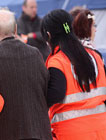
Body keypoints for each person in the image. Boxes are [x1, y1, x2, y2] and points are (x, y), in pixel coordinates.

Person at [0, 9, 52, 140]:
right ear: (16, 29)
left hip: (3, 134)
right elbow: (47, 91)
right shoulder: (35, 54)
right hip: (39, 132)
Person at [41, 9, 106, 140]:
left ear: (48, 35)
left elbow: (57, 93)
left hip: (70, 132)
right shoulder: (94, 56)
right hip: (101, 129)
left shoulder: (57, 61)